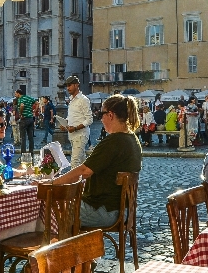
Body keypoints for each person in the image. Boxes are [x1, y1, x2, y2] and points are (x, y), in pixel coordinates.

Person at [45, 94, 142, 227]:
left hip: (104, 210)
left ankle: (60, 246)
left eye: (102, 114)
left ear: (111, 115)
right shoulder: (132, 139)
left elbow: (84, 170)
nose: (101, 119)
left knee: (49, 208)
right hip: (124, 209)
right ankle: (75, 245)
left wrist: (52, 183)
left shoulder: (113, 142)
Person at [60, 76, 93, 167]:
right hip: (72, 135)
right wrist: (65, 123)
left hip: (81, 135)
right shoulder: (71, 100)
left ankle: (73, 181)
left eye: (70, 85)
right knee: (82, 163)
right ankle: (88, 180)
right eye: (67, 86)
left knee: (74, 162)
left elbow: (89, 120)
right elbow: (72, 116)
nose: (67, 88)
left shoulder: (83, 99)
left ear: (76, 85)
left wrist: (75, 128)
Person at [14, 89, 36, 154]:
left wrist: (21, 114)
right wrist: (33, 111)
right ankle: (31, 152)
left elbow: (22, 106)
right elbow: (37, 103)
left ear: (18, 93)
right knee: (30, 137)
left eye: (15, 94)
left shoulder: (20, 99)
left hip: (24, 119)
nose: (15, 95)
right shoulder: (29, 97)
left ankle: (23, 153)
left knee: (23, 138)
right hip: (31, 119)